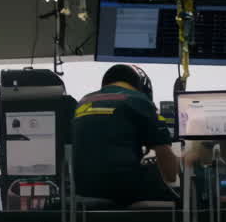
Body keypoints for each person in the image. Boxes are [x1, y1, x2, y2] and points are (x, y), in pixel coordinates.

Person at [72, 64, 178, 205]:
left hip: (83, 189)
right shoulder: (139, 100)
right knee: (181, 200)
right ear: (139, 87)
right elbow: (170, 174)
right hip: (123, 189)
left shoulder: (83, 102)